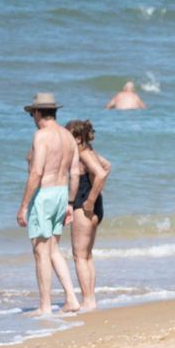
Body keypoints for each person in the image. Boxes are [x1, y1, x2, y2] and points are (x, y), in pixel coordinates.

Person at [16, 93, 80, 316]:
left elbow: (36, 172)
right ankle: (71, 299)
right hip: (62, 193)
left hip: (44, 194)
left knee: (40, 251)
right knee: (53, 249)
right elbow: (75, 173)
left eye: (32, 114)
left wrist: (24, 206)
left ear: (37, 112)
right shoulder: (68, 136)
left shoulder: (41, 136)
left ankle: (45, 306)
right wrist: (70, 203)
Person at [65, 119, 111, 312]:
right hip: (93, 204)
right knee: (86, 256)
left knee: (79, 256)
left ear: (77, 138)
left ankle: (88, 301)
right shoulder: (90, 151)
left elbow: (101, 173)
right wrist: (97, 192)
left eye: (68, 136)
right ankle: (90, 299)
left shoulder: (83, 154)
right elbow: (107, 165)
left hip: (85, 205)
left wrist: (90, 200)